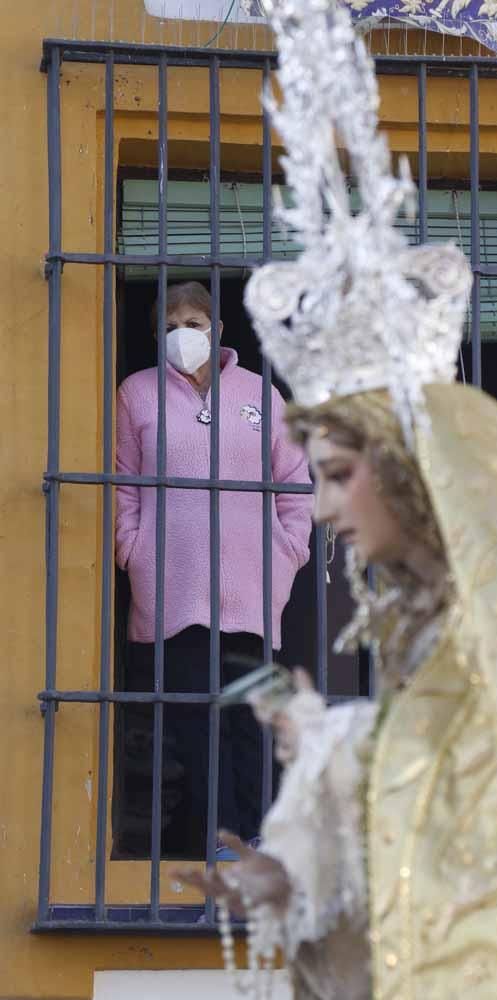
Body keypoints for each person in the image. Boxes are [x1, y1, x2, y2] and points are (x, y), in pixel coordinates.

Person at [175, 0, 497, 993]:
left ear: (408, 466)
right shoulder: (423, 623)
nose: (317, 510)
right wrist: (302, 858)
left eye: (334, 475)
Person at [115, 280, 312, 858]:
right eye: (171, 324)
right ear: (156, 334)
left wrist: (288, 551)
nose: (184, 334)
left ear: (218, 330)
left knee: (250, 723)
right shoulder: (137, 394)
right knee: (194, 725)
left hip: (252, 587)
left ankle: (259, 840)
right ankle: (221, 842)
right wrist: (134, 550)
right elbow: (123, 486)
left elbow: (295, 486)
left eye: (194, 323)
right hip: (170, 587)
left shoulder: (263, 396)